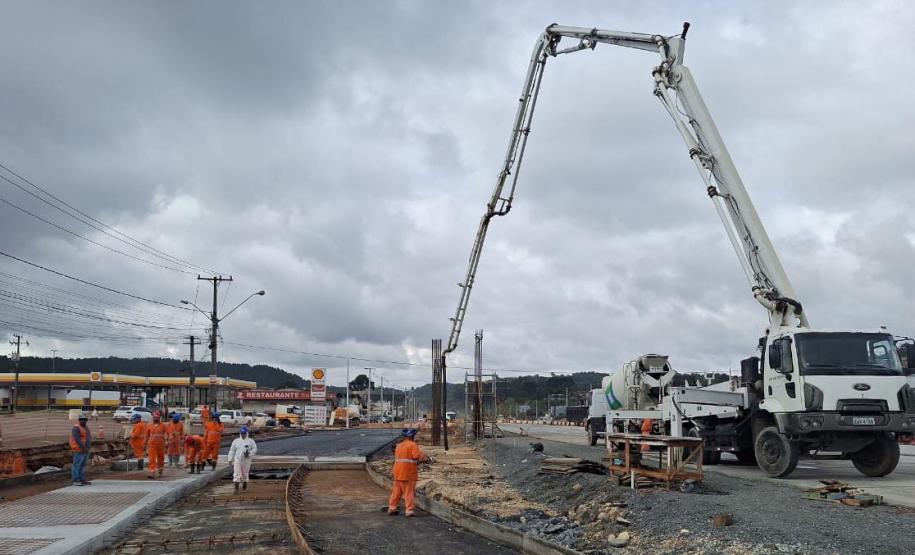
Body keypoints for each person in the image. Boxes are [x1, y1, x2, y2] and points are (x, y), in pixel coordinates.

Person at [388, 428, 428, 517]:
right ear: (412, 436)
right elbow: (416, 456)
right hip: (407, 472)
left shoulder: (399, 445)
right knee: (409, 492)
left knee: (396, 492)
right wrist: (423, 456)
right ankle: (409, 510)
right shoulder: (412, 445)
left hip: (397, 472)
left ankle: (392, 508)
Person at [227, 426, 257, 493]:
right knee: (237, 474)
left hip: (246, 460)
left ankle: (244, 488)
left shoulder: (251, 441)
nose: (243, 435)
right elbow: (232, 450)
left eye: (244, 433)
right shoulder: (236, 441)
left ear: (247, 433)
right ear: (240, 433)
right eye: (242, 433)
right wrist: (230, 459)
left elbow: (254, 449)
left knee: (245, 474)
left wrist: (249, 454)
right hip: (237, 459)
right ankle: (236, 489)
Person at [69, 412, 92, 486]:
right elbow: (77, 439)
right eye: (82, 419)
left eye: (85, 419)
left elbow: (88, 438)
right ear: (79, 420)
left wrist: (87, 448)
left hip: (86, 450)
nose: (83, 421)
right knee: (77, 465)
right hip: (79, 449)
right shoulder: (76, 428)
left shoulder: (86, 427)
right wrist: (83, 447)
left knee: (82, 465)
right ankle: (76, 480)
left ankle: (82, 479)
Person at [145, 411, 168, 478]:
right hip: (152, 444)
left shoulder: (163, 425)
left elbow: (167, 433)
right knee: (152, 458)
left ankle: (160, 470)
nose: (156, 419)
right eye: (154, 417)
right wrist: (145, 443)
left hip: (161, 444)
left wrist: (167, 441)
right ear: (153, 418)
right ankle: (152, 472)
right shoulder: (149, 425)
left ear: (159, 418)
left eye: (157, 417)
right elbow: (147, 435)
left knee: (161, 458)